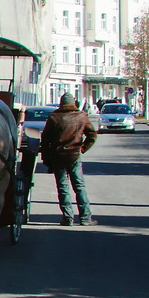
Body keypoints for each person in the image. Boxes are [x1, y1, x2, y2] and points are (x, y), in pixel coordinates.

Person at [39, 92, 98, 226]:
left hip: (58, 156)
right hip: (74, 155)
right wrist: (82, 149)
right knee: (79, 186)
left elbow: (45, 139)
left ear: (61, 103)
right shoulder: (81, 116)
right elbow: (92, 135)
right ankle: (85, 218)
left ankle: (67, 218)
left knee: (62, 187)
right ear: (73, 103)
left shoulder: (54, 117)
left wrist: (46, 158)